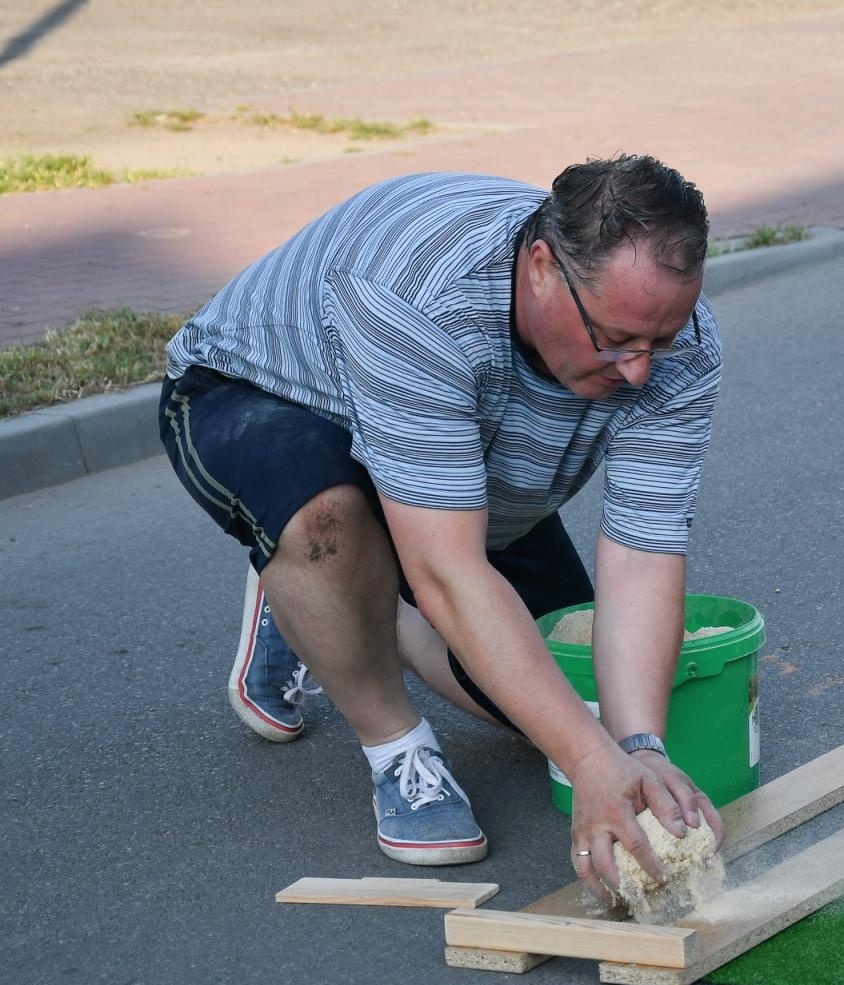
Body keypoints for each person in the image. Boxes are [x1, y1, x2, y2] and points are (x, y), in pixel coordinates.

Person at [159, 156, 725, 900]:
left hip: (456, 453)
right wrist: (590, 765)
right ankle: (385, 726)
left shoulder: (668, 343)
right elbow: (452, 574)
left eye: (661, 341)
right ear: (543, 267)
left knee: (553, 708)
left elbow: (641, 557)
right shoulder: (420, 302)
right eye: (615, 340)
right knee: (329, 519)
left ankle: (341, 599)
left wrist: (634, 748)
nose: (640, 372)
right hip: (265, 399)